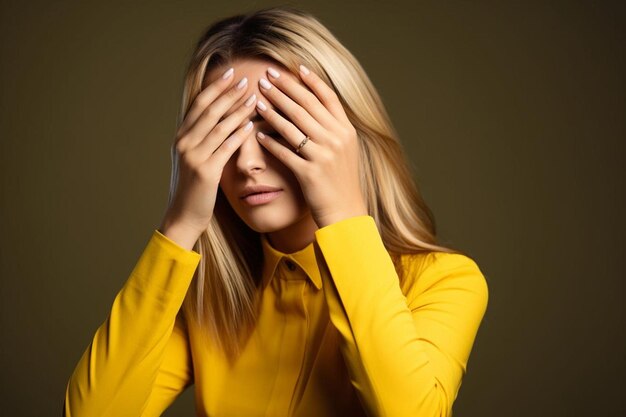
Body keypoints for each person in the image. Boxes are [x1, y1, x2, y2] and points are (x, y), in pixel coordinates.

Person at [64, 6, 489, 417]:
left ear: (344, 139)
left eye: (279, 129)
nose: (247, 162)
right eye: (225, 135)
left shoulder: (443, 281)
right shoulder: (205, 296)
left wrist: (342, 209)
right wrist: (180, 222)